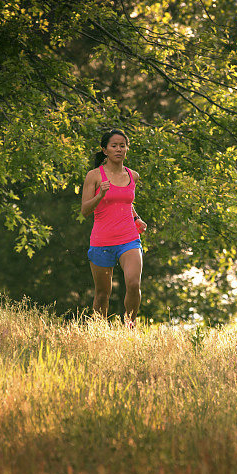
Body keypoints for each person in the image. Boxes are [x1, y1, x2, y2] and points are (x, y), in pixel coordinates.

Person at [80, 129, 147, 326]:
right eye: (114, 146)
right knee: (102, 294)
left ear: (127, 149)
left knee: (134, 284)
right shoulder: (94, 176)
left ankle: (130, 327)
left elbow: (126, 202)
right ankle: (100, 332)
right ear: (105, 150)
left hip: (129, 238)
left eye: (122, 145)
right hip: (102, 240)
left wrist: (137, 219)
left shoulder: (132, 175)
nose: (119, 149)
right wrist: (100, 195)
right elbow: (84, 210)